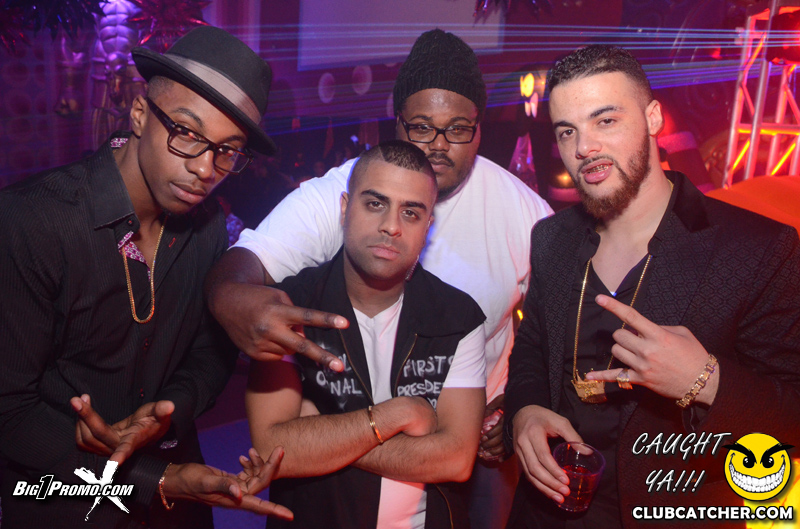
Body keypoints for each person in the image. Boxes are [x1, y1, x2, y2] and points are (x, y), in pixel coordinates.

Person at [205, 28, 553, 529]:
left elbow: (561, 324)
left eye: (457, 129)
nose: (439, 145)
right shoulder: (354, 188)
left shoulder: (523, 212)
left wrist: (522, 400)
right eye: (422, 127)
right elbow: (247, 261)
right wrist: (229, 295)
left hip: (478, 439)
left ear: (479, 129)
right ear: (397, 123)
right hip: (351, 427)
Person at [0, 26, 292, 528]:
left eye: (228, 150)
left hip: (176, 505)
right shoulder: (34, 222)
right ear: (139, 112)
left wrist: (167, 410)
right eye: (187, 133)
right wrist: (153, 477)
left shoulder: (207, 229)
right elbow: (10, 411)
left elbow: (210, 354)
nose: (206, 168)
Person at [504, 45, 800, 529]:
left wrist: (704, 381)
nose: (584, 148)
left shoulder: (757, 248)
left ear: (653, 118)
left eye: (605, 121)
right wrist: (527, 411)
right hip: (546, 513)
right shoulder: (552, 238)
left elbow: (792, 418)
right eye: (567, 131)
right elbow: (532, 350)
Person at [246, 140, 487, 528]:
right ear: (344, 209)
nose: (391, 226)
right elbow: (273, 447)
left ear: (427, 226)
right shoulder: (290, 306)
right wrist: (396, 415)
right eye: (375, 203)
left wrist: (318, 435)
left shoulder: (457, 317)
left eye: (411, 212)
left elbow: (456, 460)